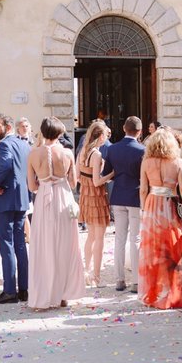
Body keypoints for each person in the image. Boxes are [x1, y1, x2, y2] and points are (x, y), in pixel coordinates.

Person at [26, 117, 85, 310]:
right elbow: (74, 183)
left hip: (44, 199)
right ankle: (63, 294)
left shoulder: (33, 153)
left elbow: (31, 185)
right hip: (63, 197)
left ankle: (44, 293)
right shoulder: (67, 153)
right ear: (59, 133)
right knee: (65, 245)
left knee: (44, 245)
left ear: (42, 132)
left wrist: (45, 183)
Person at [138, 127, 182, 309]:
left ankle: (155, 293)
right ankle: (173, 292)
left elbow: (144, 189)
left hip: (153, 205)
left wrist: (143, 209)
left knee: (154, 249)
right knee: (173, 248)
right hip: (169, 205)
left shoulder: (146, 162)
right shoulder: (177, 161)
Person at [0, 114, 32, 304]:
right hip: (20, 199)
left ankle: (10, 291)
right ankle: (24, 289)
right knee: (20, 245)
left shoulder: (6, 144)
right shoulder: (24, 144)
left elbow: (5, 164)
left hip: (4, 200)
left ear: (9, 128)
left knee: (7, 246)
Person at [103, 116, 145, 293]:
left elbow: (108, 173)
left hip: (118, 194)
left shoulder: (113, 149)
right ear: (140, 131)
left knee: (119, 239)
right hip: (135, 196)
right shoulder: (142, 150)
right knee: (135, 239)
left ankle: (119, 279)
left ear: (123, 128)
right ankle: (136, 281)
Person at [77, 120, 114, 286]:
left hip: (85, 194)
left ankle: (86, 270)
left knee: (90, 236)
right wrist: (112, 174)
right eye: (105, 135)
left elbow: (78, 176)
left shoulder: (83, 151)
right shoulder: (97, 154)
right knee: (100, 238)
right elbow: (98, 181)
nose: (106, 138)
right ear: (100, 136)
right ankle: (96, 276)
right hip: (97, 196)